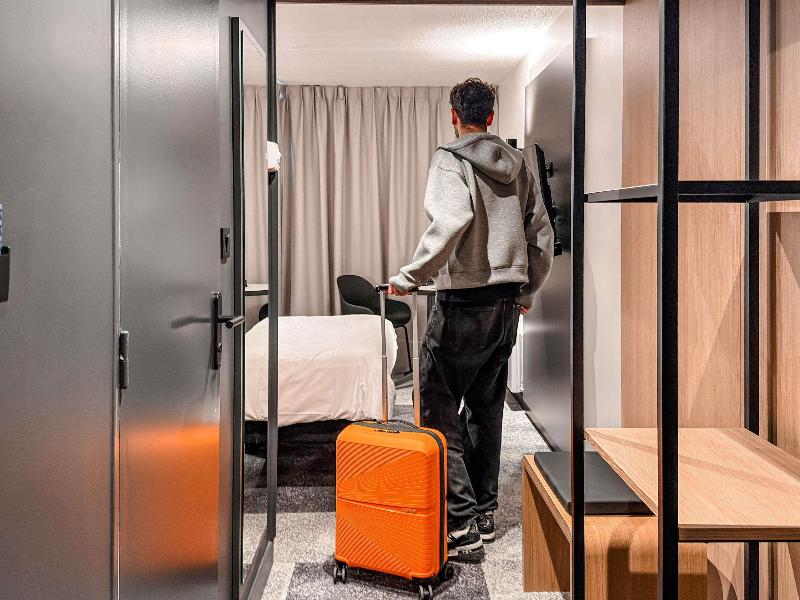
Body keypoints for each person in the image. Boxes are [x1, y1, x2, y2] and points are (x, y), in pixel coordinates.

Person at [388, 77, 554, 558]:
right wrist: (526, 290)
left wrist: (411, 277)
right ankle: (484, 509)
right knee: (486, 410)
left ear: (454, 115)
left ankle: (460, 524)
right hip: (506, 307)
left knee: (436, 409)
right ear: (491, 117)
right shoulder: (518, 164)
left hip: (463, 305)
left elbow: (451, 221)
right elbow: (541, 236)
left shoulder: (450, 158)